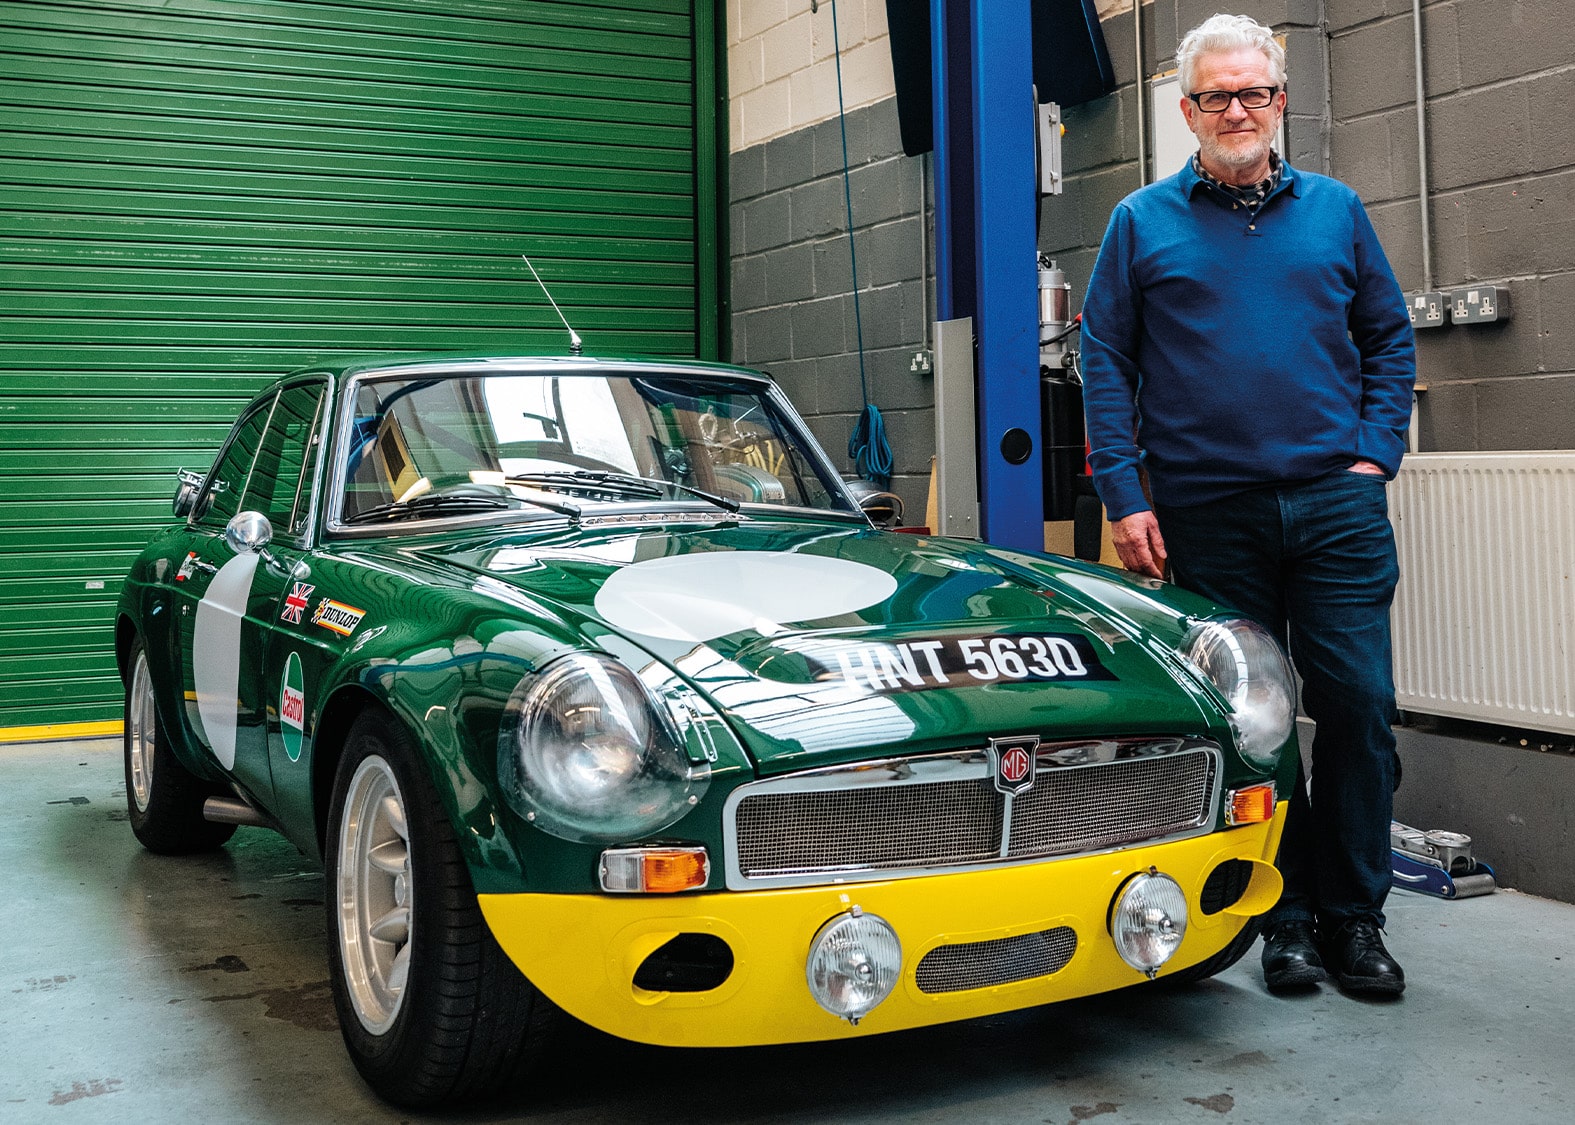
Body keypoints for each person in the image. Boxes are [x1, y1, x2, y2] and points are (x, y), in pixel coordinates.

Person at [1079, 13, 1416, 997]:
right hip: (1207, 509)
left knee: (1357, 707)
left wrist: (1372, 454)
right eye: (1216, 95)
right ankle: (1287, 918)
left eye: (1255, 92)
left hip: (1335, 505)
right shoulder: (1142, 221)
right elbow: (1104, 358)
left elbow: (1389, 338)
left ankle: (1356, 918)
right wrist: (1124, 490)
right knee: (1257, 723)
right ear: (1187, 110)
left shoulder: (1337, 211)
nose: (1238, 109)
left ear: (1280, 101)